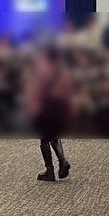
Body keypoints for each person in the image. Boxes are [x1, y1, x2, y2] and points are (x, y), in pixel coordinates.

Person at [27, 47, 74, 182]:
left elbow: (37, 91)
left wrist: (34, 110)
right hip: (60, 108)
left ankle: (49, 170)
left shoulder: (42, 70)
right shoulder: (64, 71)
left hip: (47, 108)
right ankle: (62, 161)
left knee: (44, 139)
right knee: (54, 136)